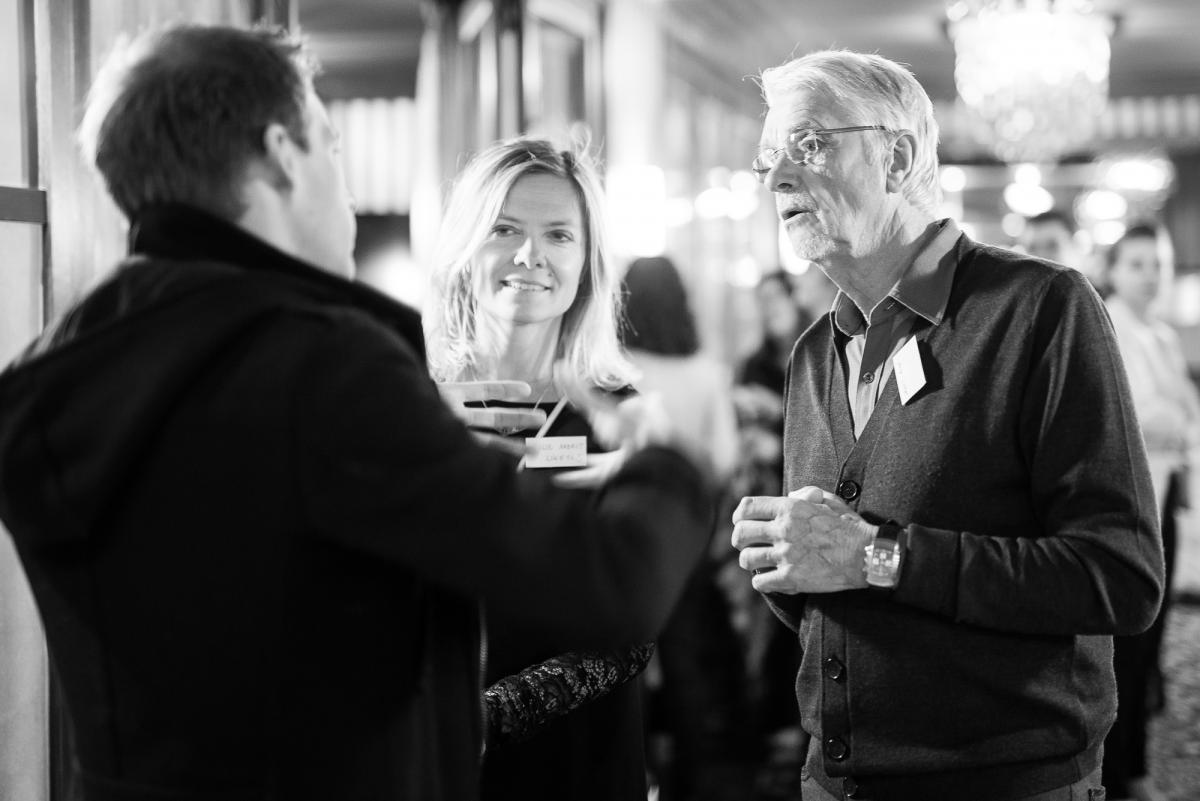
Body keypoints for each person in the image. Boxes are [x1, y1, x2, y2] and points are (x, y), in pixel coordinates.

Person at [0, 25, 713, 801]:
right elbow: (613, 582)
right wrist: (668, 458)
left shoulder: (44, 377)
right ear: (282, 152)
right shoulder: (326, 367)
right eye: (331, 147)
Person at [733, 49, 1164, 801]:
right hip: (832, 782)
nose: (776, 179)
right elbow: (835, 601)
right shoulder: (813, 356)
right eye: (770, 157)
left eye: (806, 146)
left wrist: (876, 555)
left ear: (896, 157)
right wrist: (788, 557)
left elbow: (1120, 577)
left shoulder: (1041, 309)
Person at [423, 137, 659, 801]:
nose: (530, 256)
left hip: (578, 762)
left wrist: (487, 715)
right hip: (427, 762)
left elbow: (633, 630)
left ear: (586, 263)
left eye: (559, 235)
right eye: (505, 229)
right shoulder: (409, 402)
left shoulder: (623, 414)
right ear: (468, 242)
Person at [620, 255, 745, 801]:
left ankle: (633, 776)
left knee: (620, 668)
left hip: (619, 537)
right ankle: (696, 782)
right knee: (688, 662)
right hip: (688, 540)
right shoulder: (706, 373)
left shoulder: (611, 370)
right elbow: (725, 458)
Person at [1101, 224, 1197, 801]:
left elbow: (1182, 414)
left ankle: (1134, 766)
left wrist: (1173, 422)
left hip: (1166, 494)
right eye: (1136, 264)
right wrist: (1172, 422)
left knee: (1152, 647)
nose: (1149, 275)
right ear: (1113, 270)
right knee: (1127, 649)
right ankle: (1117, 772)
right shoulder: (1107, 326)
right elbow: (1139, 420)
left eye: (1157, 263)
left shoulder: (1159, 334)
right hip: (1127, 504)